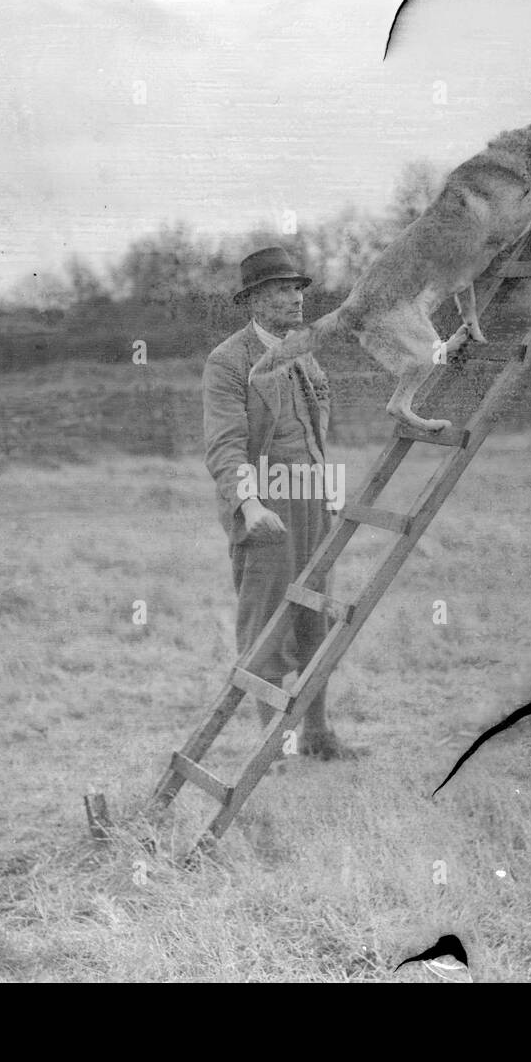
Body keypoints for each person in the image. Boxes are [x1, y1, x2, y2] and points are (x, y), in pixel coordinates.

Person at [202, 246, 364, 761]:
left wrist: (327, 494)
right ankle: (274, 750)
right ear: (252, 300)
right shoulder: (229, 361)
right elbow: (225, 446)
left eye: (298, 288)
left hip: (313, 501)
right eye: (280, 289)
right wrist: (249, 506)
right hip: (267, 509)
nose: (295, 299)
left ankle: (317, 736)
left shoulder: (303, 351)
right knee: (268, 628)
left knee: (314, 621)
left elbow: (316, 432)